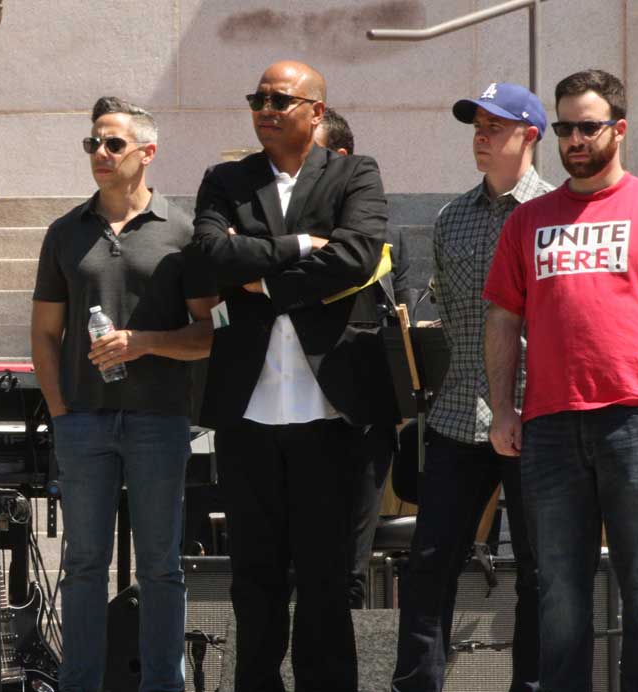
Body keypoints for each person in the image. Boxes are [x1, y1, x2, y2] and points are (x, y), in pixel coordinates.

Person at [190, 60, 391, 692]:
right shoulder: (226, 180)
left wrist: (264, 281)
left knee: (327, 576)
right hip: (248, 413)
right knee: (254, 576)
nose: (265, 109)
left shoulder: (355, 172)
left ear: (315, 112)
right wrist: (306, 247)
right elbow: (209, 255)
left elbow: (358, 257)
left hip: (332, 413)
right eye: (257, 98)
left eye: (280, 99)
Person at [485, 69, 638, 691]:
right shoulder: (528, 220)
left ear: (618, 130)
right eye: (564, 127)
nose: (573, 138)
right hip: (547, 425)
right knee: (558, 586)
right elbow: (502, 318)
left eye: (587, 126)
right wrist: (503, 408)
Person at [30, 96, 217, 692]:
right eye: (93, 144)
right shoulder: (65, 232)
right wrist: (61, 413)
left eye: (113, 144)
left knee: (161, 567)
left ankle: (164, 685)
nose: (100, 154)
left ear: (147, 152)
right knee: (83, 566)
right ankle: (79, 683)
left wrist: (144, 343)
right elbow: (44, 334)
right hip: (82, 421)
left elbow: (208, 335)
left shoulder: (182, 230)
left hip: (160, 419)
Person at [391, 82, 552, 692]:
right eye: (476, 125)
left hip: (538, 415)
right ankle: (417, 684)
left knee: (538, 570)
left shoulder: (556, 211)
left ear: (530, 135)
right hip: (460, 415)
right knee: (430, 562)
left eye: (496, 125)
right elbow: (451, 313)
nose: (481, 136)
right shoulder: (450, 216)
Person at [313, 106, 413, 609]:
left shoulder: (387, 242)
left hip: (364, 418)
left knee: (350, 567)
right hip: (295, 416)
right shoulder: (270, 237)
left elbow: (404, 324)